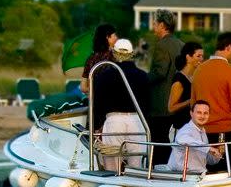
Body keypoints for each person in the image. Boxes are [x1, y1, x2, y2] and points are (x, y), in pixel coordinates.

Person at [90, 38, 148, 171]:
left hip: (114, 121)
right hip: (137, 121)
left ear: (113, 53)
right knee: (136, 166)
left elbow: (97, 105)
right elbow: (146, 105)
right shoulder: (143, 76)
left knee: (112, 165)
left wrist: (95, 126)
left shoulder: (104, 76)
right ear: (132, 54)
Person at [191, 32, 231, 171]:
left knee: (204, 171)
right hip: (225, 132)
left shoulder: (199, 70)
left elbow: (193, 103)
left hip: (202, 132)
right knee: (224, 173)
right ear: (228, 47)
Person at [145, 10, 185, 165]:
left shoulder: (162, 45)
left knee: (158, 137)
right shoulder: (181, 45)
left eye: (155, 23)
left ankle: (161, 167)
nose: (153, 26)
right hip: (177, 101)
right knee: (166, 136)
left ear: (162, 25)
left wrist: (143, 79)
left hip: (161, 102)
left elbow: (159, 72)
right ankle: (173, 163)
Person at [164, 100, 223, 174]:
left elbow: (208, 160)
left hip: (199, 174)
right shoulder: (186, 129)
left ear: (209, 115)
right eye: (199, 113)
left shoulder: (202, 131)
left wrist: (217, 155)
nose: (202, 116)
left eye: (205, 113)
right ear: (191, 114)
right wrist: (208, 148)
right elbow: (182, 139)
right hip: (182, 176)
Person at [168, 41, 204, 133]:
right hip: (182, 129)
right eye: (198, 56)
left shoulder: (194, 77)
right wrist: (190, 101)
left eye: (202, 56)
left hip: (193, 127)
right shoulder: (179, 79)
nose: (201, 59)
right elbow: (171, 107)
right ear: (188, 57)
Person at [79, 24, 117, 94]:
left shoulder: (90, 59)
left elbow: (83, 87)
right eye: (114, 35)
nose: (116, 38)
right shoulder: (114, 57)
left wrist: (95, 91)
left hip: (95, 102)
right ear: (107, 37)